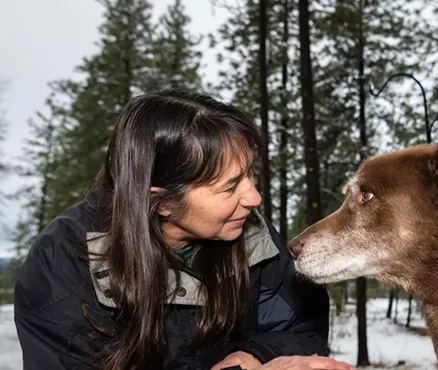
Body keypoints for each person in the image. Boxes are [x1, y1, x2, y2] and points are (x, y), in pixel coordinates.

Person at [13, 89, 354, 370]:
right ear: (160, 203)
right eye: (229, 186)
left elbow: (303, 328)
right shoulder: (63, 263)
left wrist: (254, 355)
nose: (254, 197)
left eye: (249, 174)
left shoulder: (253, 238)